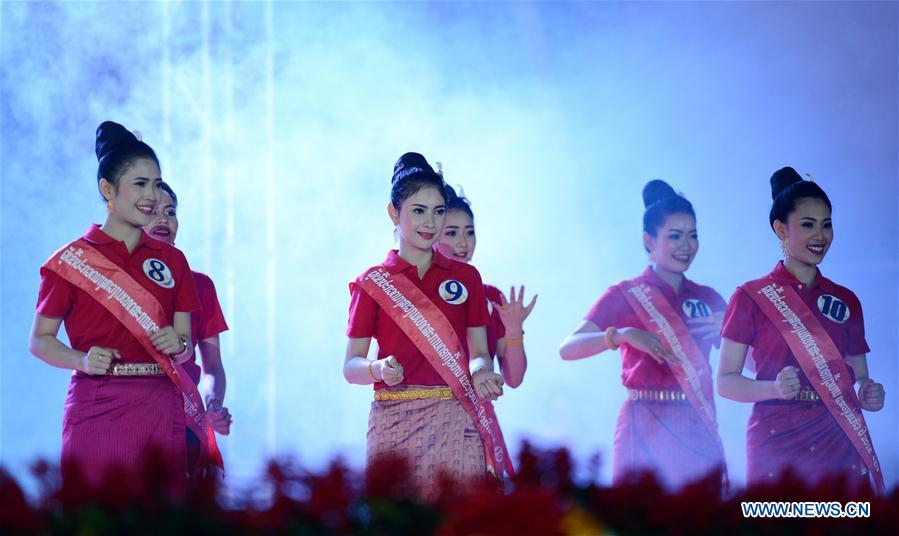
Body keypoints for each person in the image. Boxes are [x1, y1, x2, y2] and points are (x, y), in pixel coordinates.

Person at [29, 121, 203, 485]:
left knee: (161, 520)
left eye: (156, 184)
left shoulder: (174, 261)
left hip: (160, 406)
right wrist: (82, 360)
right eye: (140, 184)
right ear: (107, 189)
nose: (152, 196)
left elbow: (185, 348)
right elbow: (39, 340)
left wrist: (179, 343)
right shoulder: (71, 261)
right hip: (97, 404)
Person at [343, 152, 513, 498]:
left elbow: (479, 351)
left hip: (457, 418)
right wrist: (376, 369)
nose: (429, 222)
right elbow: (351, 366)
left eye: (437, 212)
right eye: (418, 211)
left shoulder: (466, 277)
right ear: (394, 213)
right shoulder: (373, 283)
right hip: (394, 422)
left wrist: (480, 372)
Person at [717, 167, 885, 492]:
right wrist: (774, 389)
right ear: (781, 229)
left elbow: (860, 375)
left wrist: (867, 391)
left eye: (827, 225)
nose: (819, 236)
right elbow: (725, 382)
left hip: (839, 438)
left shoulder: (846, 299)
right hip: (774, 442)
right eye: (807, 225)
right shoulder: (750, 297)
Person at [559, 179, 727, 489]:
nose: (686, 246)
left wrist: (728, 334)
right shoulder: (625, 294)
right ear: (649, 241)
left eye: (692, 236)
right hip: (643, 422)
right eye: (674, 236)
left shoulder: (708, 299)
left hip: (696, 422)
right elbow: (568, 348)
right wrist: (621, 335)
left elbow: (754, 367)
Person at [145, 182, 232, 470]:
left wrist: (213, 402)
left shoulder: (200, 285)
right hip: (125, 415)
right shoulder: (112, 280)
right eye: (151, 211)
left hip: (184, 420)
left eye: (170, 211)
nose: (163, 219)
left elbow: (212, 367)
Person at [436, 182, 535, 388]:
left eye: (469, 232)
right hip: (425, 411)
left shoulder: (490, 297)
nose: (463, 242)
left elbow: (514, 379)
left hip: (479, 415)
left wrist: (514, 331)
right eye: (452, 233)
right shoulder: (414, 291)